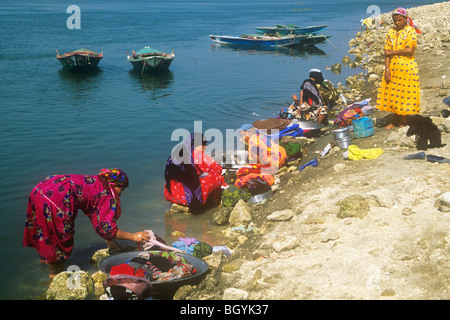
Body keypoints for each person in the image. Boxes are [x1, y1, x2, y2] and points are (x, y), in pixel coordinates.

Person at [23, 168, 151, 280]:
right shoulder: (107, 193)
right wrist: (133, 237)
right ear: (114, 184)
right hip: (57, 198)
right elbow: (106, 228)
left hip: (41, 189)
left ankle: (47, 260)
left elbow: (97, 215)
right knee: (58, 237)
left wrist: (110, 241)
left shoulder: (96, 182)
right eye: (121, 190)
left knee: (45, 230)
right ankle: (54, 275)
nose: (120, 194)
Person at [376, 7, 420, 129]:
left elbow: (410, 50)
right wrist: (387, 69)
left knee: (404, 93)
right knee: (393, 93)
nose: (397, 23)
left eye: (399, 20)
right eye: (394, 20)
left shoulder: (410, 31)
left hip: (407, 67)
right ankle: (395, 118)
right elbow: (386, 52)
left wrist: (392, 52)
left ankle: (403, 120)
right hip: (393, 67)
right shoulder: (390, 32)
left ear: (405, 19)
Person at [164, 132, 225, 212]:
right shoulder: (197, 154)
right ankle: (214, 204)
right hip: (188, 198)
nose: (205, 147)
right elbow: (218, 169)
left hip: (171, 195)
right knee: (217, 177)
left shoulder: (178, 152)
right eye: (203, 144)